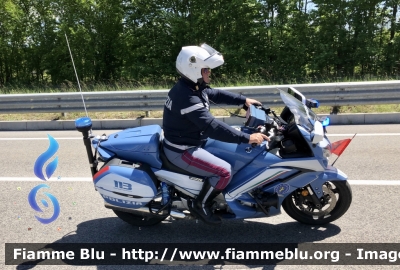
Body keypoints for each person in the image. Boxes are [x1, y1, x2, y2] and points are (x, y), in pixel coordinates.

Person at [162, 44, 269, 225]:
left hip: (194, 139)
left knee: (237, 153)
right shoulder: (187, 98)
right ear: (194, 70)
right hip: (183, 149)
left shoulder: (192, 87)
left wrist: (243, 101)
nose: (209, 74)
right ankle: (200, 204)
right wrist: (248, 138)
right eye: (206, 70)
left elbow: (215, 94)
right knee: (224, 172)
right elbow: (212, 126)